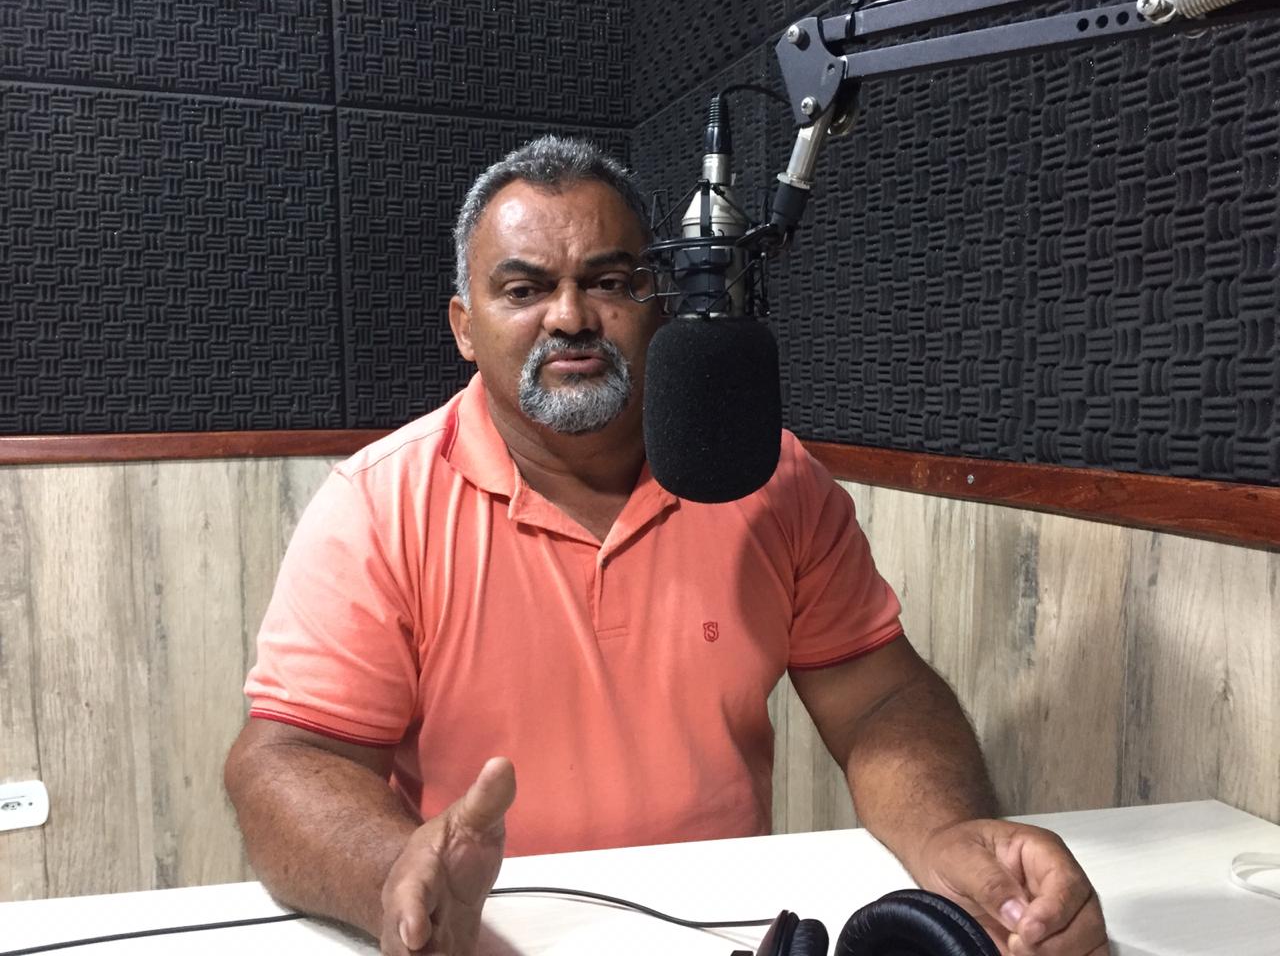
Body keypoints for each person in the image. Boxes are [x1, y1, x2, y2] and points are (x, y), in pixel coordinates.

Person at [223, 135, 1109, 956]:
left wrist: (950, 831)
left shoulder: (772, 481)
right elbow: (289, 760)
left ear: (662, 302)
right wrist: (395, 877)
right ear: (464, 325)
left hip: (723, 926)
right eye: (524, 290)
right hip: (484, 932)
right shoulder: (378, 505)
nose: (570, 316)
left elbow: (880, 701)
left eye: (609, 281)